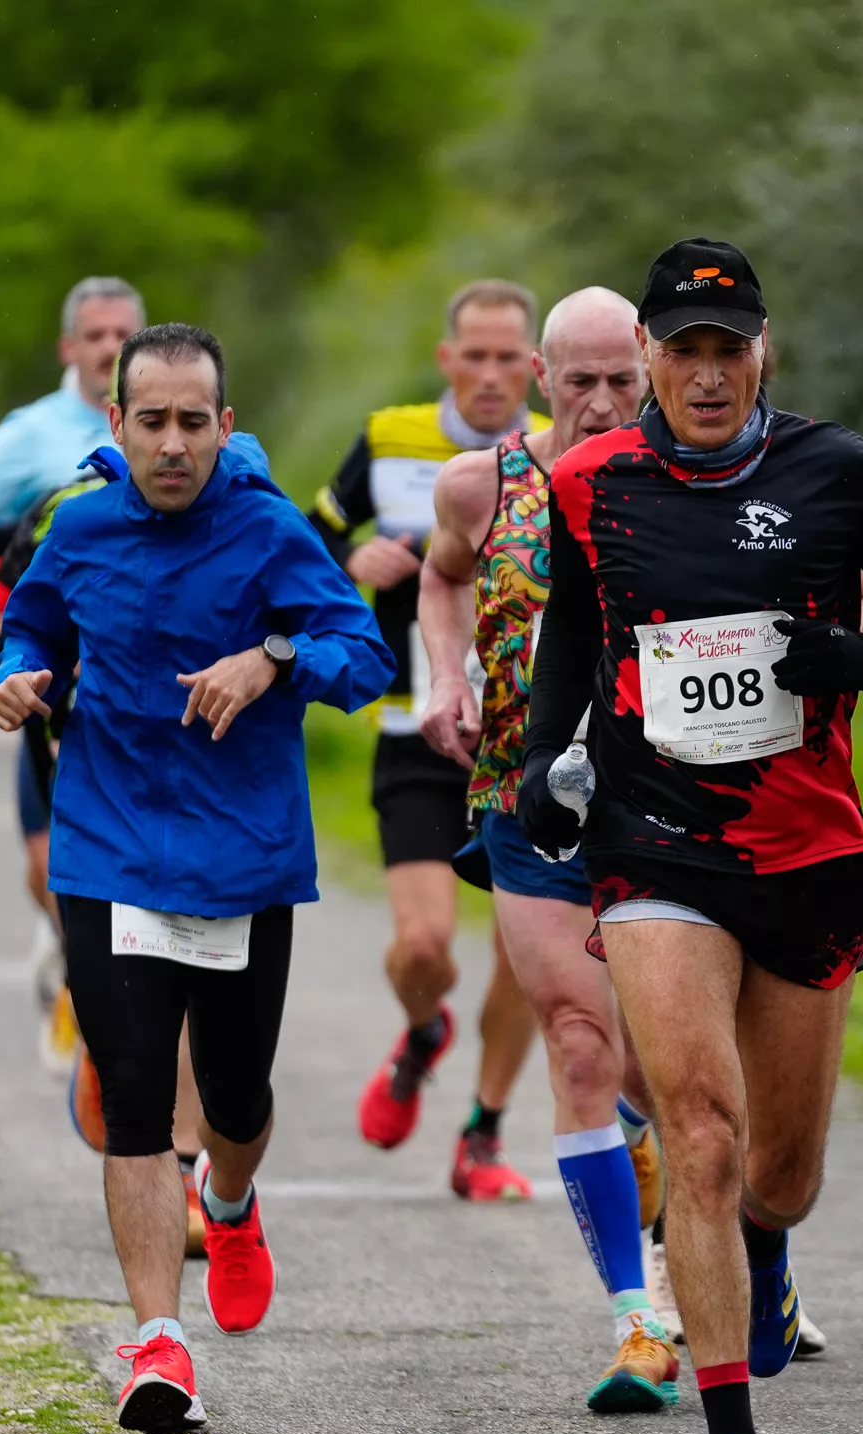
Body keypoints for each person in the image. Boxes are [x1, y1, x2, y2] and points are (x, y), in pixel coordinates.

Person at [516, 238, 863, 1434]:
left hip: (804, 849)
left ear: (764, 352)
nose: (706, 374)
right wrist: (543, 764)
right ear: (644, 355)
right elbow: (575, 635)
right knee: (695, 1129)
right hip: (655, 842)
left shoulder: (837, 472)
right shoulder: (590, 483)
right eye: (682, 351)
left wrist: (855, 656)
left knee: (781, 1171)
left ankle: (770, 1254)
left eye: (728, 350)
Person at [0, 322, 394, 1434]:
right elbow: (29, 626)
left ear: (226, 424)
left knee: (235, 1096)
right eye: (151, 420)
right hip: (108, 843)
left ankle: (231, 1196)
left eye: (193, 421)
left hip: (243, 853)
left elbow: (364, 653)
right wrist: (21, 678)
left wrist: (272, 659)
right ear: (115, 425)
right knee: (129, 1095)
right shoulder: (75, 532)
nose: (173, 443)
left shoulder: (268, 532)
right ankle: (157, 1343)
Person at [414, 285, 677, 1410]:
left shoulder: (698, 478)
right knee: (580, 1041)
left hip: (676, 802)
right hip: (527, 797)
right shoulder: (484, 485)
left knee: (666, 1069)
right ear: (538, 380)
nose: (607, 400)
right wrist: (441, 675)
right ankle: (636, 1320)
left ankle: (729, 1249)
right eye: (583, 381)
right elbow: (440, 574)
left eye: (628, 378)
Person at [312, 281, 546, 1195]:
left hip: (529, 737)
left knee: (530, 956)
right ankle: (422, 1034)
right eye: (473, 356)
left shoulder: (558, 452)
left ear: (532, 365)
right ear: (446, 359)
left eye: (507, 358)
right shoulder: (387, 439)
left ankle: (483, 1132)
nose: (490, 376)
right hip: (416, 731)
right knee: (423, 949)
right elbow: (291, 544)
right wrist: (345, 558)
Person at [0, 276, 147, 1071]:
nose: (108, 349)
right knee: (48, 867)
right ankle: (74, 949)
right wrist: (36, 551)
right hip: (55, 675)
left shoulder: (178, 432)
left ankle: (118, 1008)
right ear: (70, 348)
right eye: (94, 336)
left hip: (143, 686)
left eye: (121, 334)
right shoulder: (31, 436)